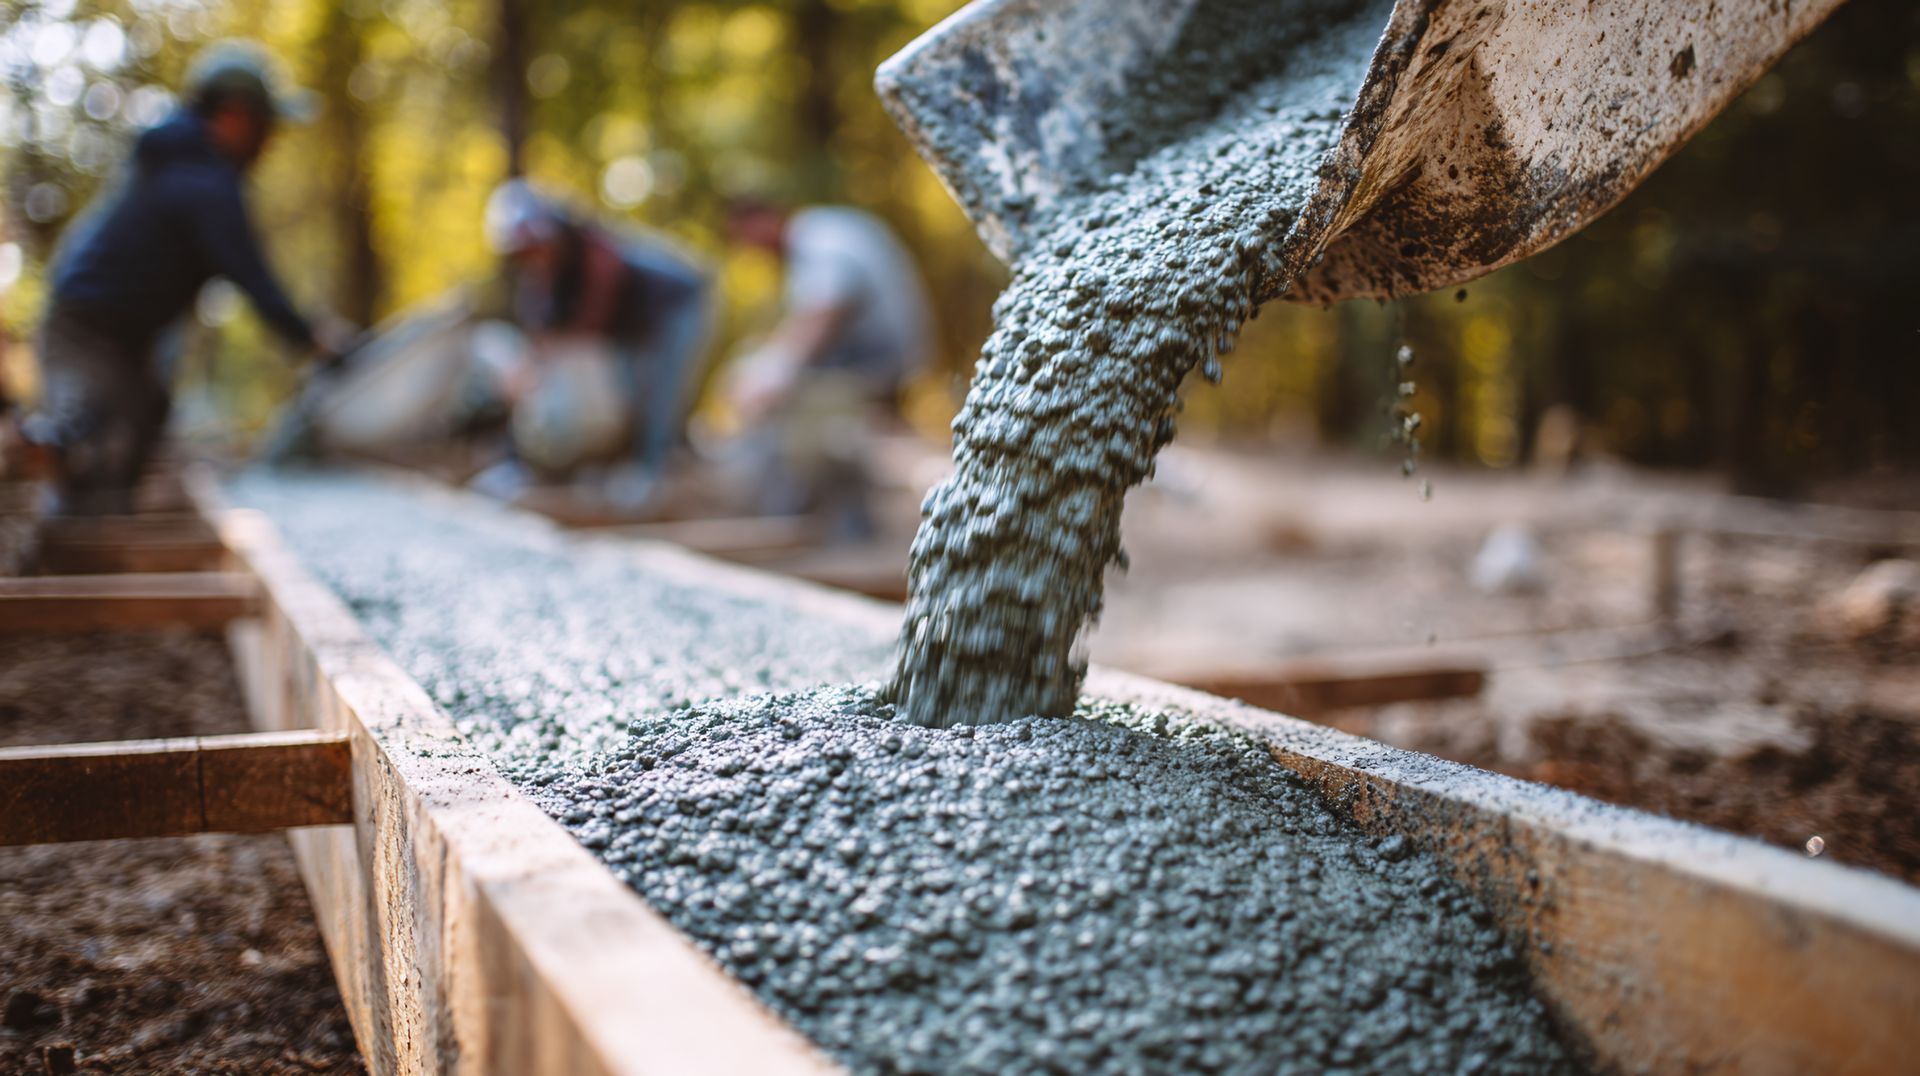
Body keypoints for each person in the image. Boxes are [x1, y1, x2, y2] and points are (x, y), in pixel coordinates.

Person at [20, 40, 347, 515]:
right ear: (234, 117)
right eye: (265, 126)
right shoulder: (203, 183)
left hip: (128, 340)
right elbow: (252, 277)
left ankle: (90, 515)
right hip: (84, 330)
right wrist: (314, 339)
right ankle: (43, 453)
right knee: (84, 424)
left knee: (138, 428)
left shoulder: (183, 166)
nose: (270, 141)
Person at [474, 180, 712, 507]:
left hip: (675, 308)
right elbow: (542, 329)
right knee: (625, 392)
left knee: (658, 392)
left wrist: (541, 363)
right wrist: (524, 368)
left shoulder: (595, 253)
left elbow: (587, 325)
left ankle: (652, 475)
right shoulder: (543, 276)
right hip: (631, 323)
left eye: (535, 247)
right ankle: (614, 469)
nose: (533, 257)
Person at [724, 200, 934, 534]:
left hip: (874, 359)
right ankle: (824, 520)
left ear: (764, 219)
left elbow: (827, 308)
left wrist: (777, 370)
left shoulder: (819, 239)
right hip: (870, 357)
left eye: (745, 235)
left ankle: (798, 523)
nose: (750, 248)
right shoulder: (820, 234)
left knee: (810, 425)